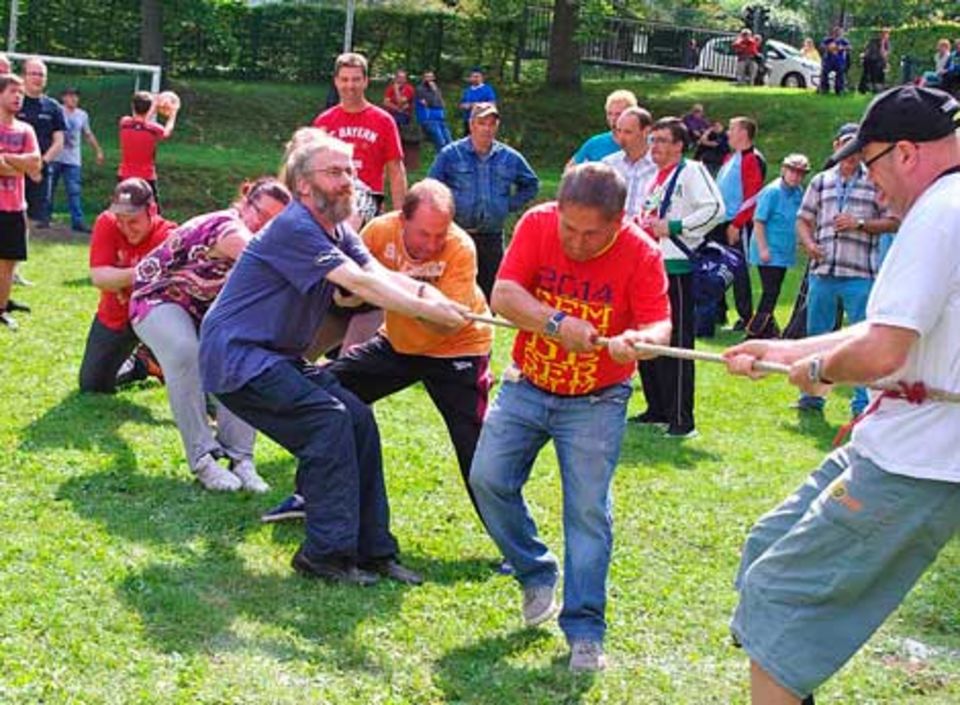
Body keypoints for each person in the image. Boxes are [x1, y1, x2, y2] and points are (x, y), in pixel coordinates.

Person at [723, 84, 960, 705]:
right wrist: (785, 351)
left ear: (906, 153)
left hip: (917, 459)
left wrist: (824, 371)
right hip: (892, 442)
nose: (869, 182)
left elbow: (880, 354)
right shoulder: (944, 207)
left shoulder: (940, 213)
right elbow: (886, 327)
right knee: (767, 545)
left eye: (872, 162)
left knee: (780, 591)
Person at [198, 129, 468, 586]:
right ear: (304, 184)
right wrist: (426, 309)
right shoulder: (294, 228)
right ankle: (324, 556)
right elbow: (358, 285)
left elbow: (376, 273)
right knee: (328, 421)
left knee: (357, 417)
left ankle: (374, 551)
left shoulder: (339, 228)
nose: (349, 180)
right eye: (336, 171)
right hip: (237, 358)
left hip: (275, 356)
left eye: (351, 170)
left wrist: (429, 294)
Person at [469, 163, 672, 672]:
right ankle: (536, 570)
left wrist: (639, 343)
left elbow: (659, 325)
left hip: (597, 399)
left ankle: (585, 631)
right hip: (528, 383)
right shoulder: (537, 225)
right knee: (488, 479)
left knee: (587, 513)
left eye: (592, 234)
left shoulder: (642, 253)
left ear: (619, 221)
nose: (577, 243)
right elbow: (505, 294)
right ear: (557, 211)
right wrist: (556, 323)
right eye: (570, 229)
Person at [264, 179, 494, 535]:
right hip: (398, 344)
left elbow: (445, 326)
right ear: (402, 219)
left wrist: (398, 295)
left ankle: (513, 542)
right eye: (423, 234)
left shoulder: (461, 248)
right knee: (327, 394)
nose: (432, 245)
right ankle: (309, 496)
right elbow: (349, 296)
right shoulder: (379, 232)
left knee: (475, 447)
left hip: (457, 350)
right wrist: (357, 292)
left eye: (440, 235)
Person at [129, 177, 290, 492]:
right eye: (261, 213)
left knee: (242, 356)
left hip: (206, 312)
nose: (264, 224)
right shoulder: (228, 227)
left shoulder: (266, 240)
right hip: (157, 299)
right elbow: (258, 260)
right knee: (184, 352)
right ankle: (203, 460)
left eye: (275, 221)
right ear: (245, 202)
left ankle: (241, 458)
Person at [793, 123, 900, 416]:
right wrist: (809, 243)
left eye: (856, 149)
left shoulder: (875, 181)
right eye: (845, 146)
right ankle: (811, 397)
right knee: (817, 336)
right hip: (823, 271)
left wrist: (861, 224)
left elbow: (894, 221)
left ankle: (863, 403)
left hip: (860, 275)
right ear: (835, 145)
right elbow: (803, 219)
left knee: (861, 340)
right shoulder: (821, 181)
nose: (851, 155)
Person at [633, 117, 725, 438]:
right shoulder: (657, 177)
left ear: (678, 145)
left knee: (677, 344)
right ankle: (657, 408)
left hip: (678, 269)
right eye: (652, 140)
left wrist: (675, 228)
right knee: (648, 339)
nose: (653, 146)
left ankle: (682, 417)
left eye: (660, 140)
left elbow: (715, 209)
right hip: (651, 268)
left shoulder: (692, 171)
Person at [428, 102, 539, 301]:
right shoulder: (451, 154)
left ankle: (484, 331)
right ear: (472, 125)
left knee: (490, 294)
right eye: (482, 123)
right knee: (454, 291)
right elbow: (431, 187)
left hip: (492, 237)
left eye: (491, 123)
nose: (487, 128)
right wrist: (445, 212)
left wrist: (507, 205)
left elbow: (531, 184)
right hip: (458, 235)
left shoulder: (510, 157)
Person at [79, 178, 176, 393]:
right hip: (115, 316)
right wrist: (142, 273)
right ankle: (143, 364)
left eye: (133, 221)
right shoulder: (106, 222)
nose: (125, 228)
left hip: (153, 318)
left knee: (186, 358)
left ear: (152, 210)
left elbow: (166, 288)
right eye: (120, 220)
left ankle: (157, 355)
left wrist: (120, 281)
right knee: (92, 385)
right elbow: (99, 277)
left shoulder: (168, 236)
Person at [313, 52, 406, 211]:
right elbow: (312, 170)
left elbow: (396, 171)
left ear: (365, 82)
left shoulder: (384, 121)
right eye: (344, 79)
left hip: (369, 207)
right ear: (336, 82)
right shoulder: (324, 122)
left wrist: (400, 216)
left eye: (356, 79)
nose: (350, 85)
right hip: (332, 208)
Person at [744, 154, 810, 339]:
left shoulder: (798, 192)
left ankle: (768, 329)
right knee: (770, 291)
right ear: (783, 170)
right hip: (769, 250)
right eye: (792, 171)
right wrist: (764, 249)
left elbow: (798, 218)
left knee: (773, 290)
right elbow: (759, 221)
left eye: (800, 173)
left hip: (784, 251)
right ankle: (754, 331)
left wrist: (801, 241)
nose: (796, 176)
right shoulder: (772, 192)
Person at [715, 116, 766, 331]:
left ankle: (746, 316)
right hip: (720, 221)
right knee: (717, 265)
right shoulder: (730, 158)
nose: (728, 133)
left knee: (739, 269)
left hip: (737, 224)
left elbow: (753, 196)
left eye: (731, 129)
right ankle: (717, 312)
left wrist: (737, 224)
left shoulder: (751, 159)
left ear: (743, 133)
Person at [0, 73, 41, 331]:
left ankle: (1, 310)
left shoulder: (27, 130)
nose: (18, 97)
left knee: (8, 263)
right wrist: (20, 164)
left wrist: (6, 158)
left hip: (15, 207)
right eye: (12, 91)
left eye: (21, 93)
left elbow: (36, 163)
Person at [17, 57, 64, 230]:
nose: (37, 78)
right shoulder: (13, 102)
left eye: (41, 75)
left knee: (31, 219)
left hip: (40, 170)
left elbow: (59, 141)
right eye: (33, 74)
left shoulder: (53, 107)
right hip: (13, 168)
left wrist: (40, 163)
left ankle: (17, 255)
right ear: (24, 76)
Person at [50, 87, 104, 233]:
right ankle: (43, 218)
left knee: (74, 191)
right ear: (63, 98)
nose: (73, 99)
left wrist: (98, 150)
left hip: (73, 160)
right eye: (70, 96)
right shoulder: (56, 110)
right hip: (55, 157)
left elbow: (88, 134)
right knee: (48, 189)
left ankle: (77, 221)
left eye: (75, 96)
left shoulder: (82, 115)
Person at [118, 91, 179, 205]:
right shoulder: (154, 129)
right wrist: (173, 114)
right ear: (149, 107)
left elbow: (140, 122)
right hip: (146, 177)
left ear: (132, 106)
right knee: (151, 213)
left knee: (124, 210)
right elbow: (167, 132)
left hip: (125, 176)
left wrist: (153, 106)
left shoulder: (124, 122)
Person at [601, 106, 656, 217]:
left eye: (628, 132)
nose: (621, 137)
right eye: (618, 130)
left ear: (646, 132)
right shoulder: (608, 164)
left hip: (647, 231)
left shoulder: (660, 166)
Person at [567, 89, 638, 166]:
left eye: (618, 114)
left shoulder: (645, 144)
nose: (613, 119)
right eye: (609, 114)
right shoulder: (595, 144)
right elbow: (570, 171)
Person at [383, 68, 419, 171]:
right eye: (399, 77)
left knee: (396, 124)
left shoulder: (409, 89)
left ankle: (397, 154)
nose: (400, 80)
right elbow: (385, 102)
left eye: (403, 78)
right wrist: (397, 108)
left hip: (404, 116)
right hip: (392, 114)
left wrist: (396, 90)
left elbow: (401, 102)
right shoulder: (390, 88)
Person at [415, 69, 452, 151]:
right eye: (427, 77)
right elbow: (430, 103)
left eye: (431, 77)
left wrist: (436, 91)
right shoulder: (420, 89)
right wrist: (434, 92)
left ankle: (451, 162)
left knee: (449, 142)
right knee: (441, 142)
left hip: (440, 119)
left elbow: (442, 104)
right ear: (423, 78)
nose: (429, 79)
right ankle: (442, 161)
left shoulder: (436, 89)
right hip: (429, 120)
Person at [458, 67, 497, 135]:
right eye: (473, 77)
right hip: (468, 120)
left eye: (477, 77)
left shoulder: (487, 89)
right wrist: (465, 106)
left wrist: (477, 105)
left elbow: (492, 104)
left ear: (482, 78)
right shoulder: (467, 90)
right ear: (470, 78)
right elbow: (461, 104)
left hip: (482, 121)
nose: (475, 79)